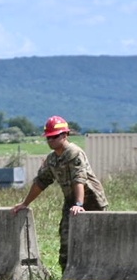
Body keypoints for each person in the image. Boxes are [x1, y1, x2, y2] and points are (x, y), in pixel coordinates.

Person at [11, 115, 108, 271]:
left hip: (92, 202)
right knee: (66, 245)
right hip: (71, 203)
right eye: (48, 137)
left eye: (54, 137)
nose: (51, 140)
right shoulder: (52, 159)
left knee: (96, 244)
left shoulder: (74, 153)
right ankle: (68, 279)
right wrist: (25, 203)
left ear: (65, 135)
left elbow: (79, 179)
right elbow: (40, 182)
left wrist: (78, 204)